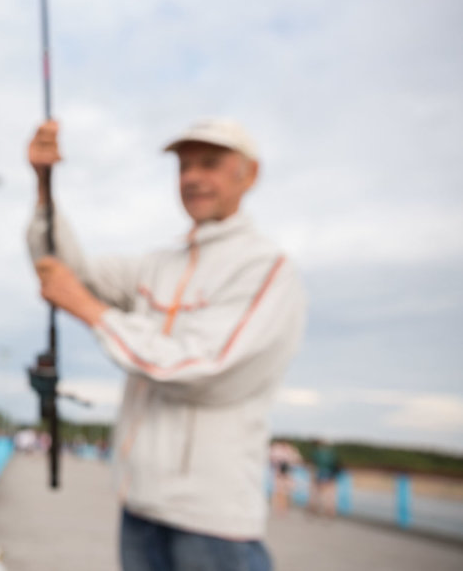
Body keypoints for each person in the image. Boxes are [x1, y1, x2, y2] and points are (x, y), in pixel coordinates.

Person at [26, 118, 307, 571]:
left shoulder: (267, 269)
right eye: (184, 166)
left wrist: (88, 309)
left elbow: (202, 369)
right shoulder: (158, 265)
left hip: (213, 525)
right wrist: (43, 185)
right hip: (137, 507)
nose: (193, 177)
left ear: (249, 174)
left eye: (210, 164)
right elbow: (63, 271)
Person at [309, 438, 341, 517]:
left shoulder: (316, 453)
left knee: (318, 493)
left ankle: (316, 509)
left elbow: (313, 466)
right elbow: (336, 464)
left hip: (321, 473)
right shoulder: (331, 453)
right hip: (331, 474)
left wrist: (313, 476)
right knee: (329, 494)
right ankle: (330, 510)